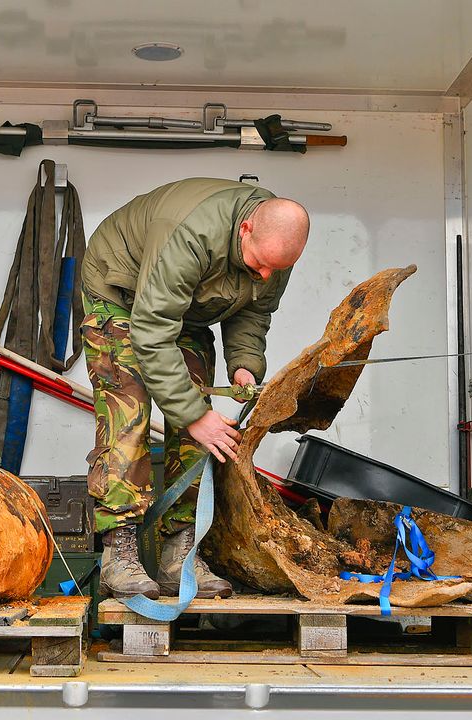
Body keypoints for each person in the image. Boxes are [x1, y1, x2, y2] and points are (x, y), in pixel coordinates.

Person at [79, 177, 310, 599]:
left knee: (203, 424)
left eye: (274, 269)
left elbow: (254, 313)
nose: (265, 274)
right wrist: (193, 413)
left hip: (184, 310)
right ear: (246, 229)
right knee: (127, 412)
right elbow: (151, 328)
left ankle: (180, 550)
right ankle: (120, 550)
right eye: (260, 263)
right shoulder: (187, 233)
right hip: (123, 296)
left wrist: (244, 365)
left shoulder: (273, 252)